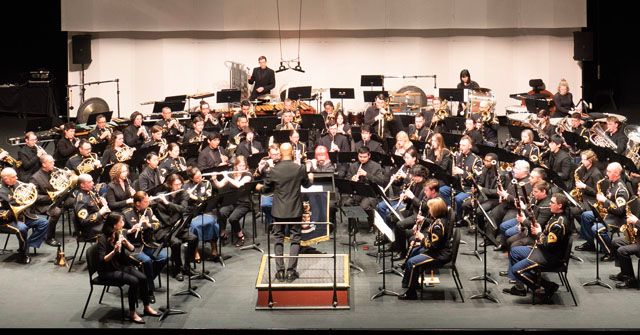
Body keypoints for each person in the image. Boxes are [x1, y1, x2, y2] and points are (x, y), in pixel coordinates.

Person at [257, 143, 313, 283]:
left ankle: (280, 272)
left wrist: (258, 187)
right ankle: (291, 272)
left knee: (278, 239)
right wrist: (311, 176)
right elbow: (307, 184)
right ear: (292, 153)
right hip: (295, 209)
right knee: (295, 239)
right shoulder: (299, 168)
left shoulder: (273, 170)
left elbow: (266, 190)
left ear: (280, 154)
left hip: (279, 211)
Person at [502, 193, 569, 302]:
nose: (549, 204)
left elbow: (549, 245)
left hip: (549, 257)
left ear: (560, 206)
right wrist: (539, 230)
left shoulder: (559, 224)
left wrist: (538, 233)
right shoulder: (556, 216)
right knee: (514, 251)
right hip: (542, 250)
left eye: (552, 203)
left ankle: (546, 286)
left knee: (516, 270)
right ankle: (520, 288)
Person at [96, 213, 160, 323]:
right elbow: (103, 260)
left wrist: (125, 242)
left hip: (119, 266)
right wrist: (114, 251)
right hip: (107, 270)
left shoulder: (118, 233)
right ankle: (132, 313)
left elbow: (131, 249)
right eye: (121, 222)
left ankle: (146, 306)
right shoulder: (102, 239)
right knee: (134, 281)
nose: (123, 223)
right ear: (114, 225)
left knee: (143, 278)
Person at [398, 197, 451, 300]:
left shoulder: (438, 226)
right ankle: (410, 283)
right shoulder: (437, 220)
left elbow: (433, 246)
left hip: (439, 255)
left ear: (435, 210)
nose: (429, 210)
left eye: (430, 208)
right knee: (414, 251)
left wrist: (421, 239)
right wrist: (420, 243)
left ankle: (411, 293)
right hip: (437, 250)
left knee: (412, 263)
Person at [577, 162, 629, 261]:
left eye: (609, 171)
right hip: (609, 213)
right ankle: (590, 243)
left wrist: (605, 200)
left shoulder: (621, 190)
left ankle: (610, 252)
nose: (606, 173)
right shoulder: (612, 183)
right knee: (585, 215)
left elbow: (620, 210)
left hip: (618, 219)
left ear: (617, 173)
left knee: (597, 228)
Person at [0, 167, 48, 264]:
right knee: (22, 228)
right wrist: (23, 197)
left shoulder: (15, 183)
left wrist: (30, 188)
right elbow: (13, 202)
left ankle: (27, 245)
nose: (17, 178)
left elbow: (26, 193)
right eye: (14, 177)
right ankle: (22, 254)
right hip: (8, 220)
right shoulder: (1, 191)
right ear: (6, 179)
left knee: (44, 223)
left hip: (23, 216)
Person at [213, 156, 252, 247]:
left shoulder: (248, 175)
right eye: (240, 166)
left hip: (244, 203)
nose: (242, 168)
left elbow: (239, 185)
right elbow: (219, 185)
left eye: (243, 166)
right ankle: (222, 233)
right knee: (222, 212)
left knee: (232, 218)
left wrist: (226, 176)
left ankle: (240, 235)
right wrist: (214, 178)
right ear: (236, 166)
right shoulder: (231, 174)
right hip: (232, 201)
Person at [183, 167, 219, 262]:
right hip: (192, 212)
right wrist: (188, 196)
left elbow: (207, 199)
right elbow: (184, 202)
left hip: (205, 210)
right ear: (191, 178)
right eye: (197, 178)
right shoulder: (186, 186)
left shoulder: (206, 183)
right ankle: (195, 251)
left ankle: (214, 247)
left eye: (200, 176)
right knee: (194, 226)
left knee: (212, 222)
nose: (200, 178)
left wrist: (194, 197)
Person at [29, 155, 63, 247]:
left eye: (53, 161)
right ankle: (49, 237)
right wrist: (49, 197)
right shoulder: (35, 178)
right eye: (51, 162)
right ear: (44, 164)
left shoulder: (54, 172)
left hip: (56, 199)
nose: (54, 164)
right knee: (56, 211)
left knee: (72, 201)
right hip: (40, 205)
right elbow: (33, 197)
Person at [609, 186, 640, 288]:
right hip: (637, 237)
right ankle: (624, 272)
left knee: (622, 250)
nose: (637, 192)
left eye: (639, 190)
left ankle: (630, 279)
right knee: (615, 242)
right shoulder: (638, 202)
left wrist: (636, 222)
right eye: (638, 189)